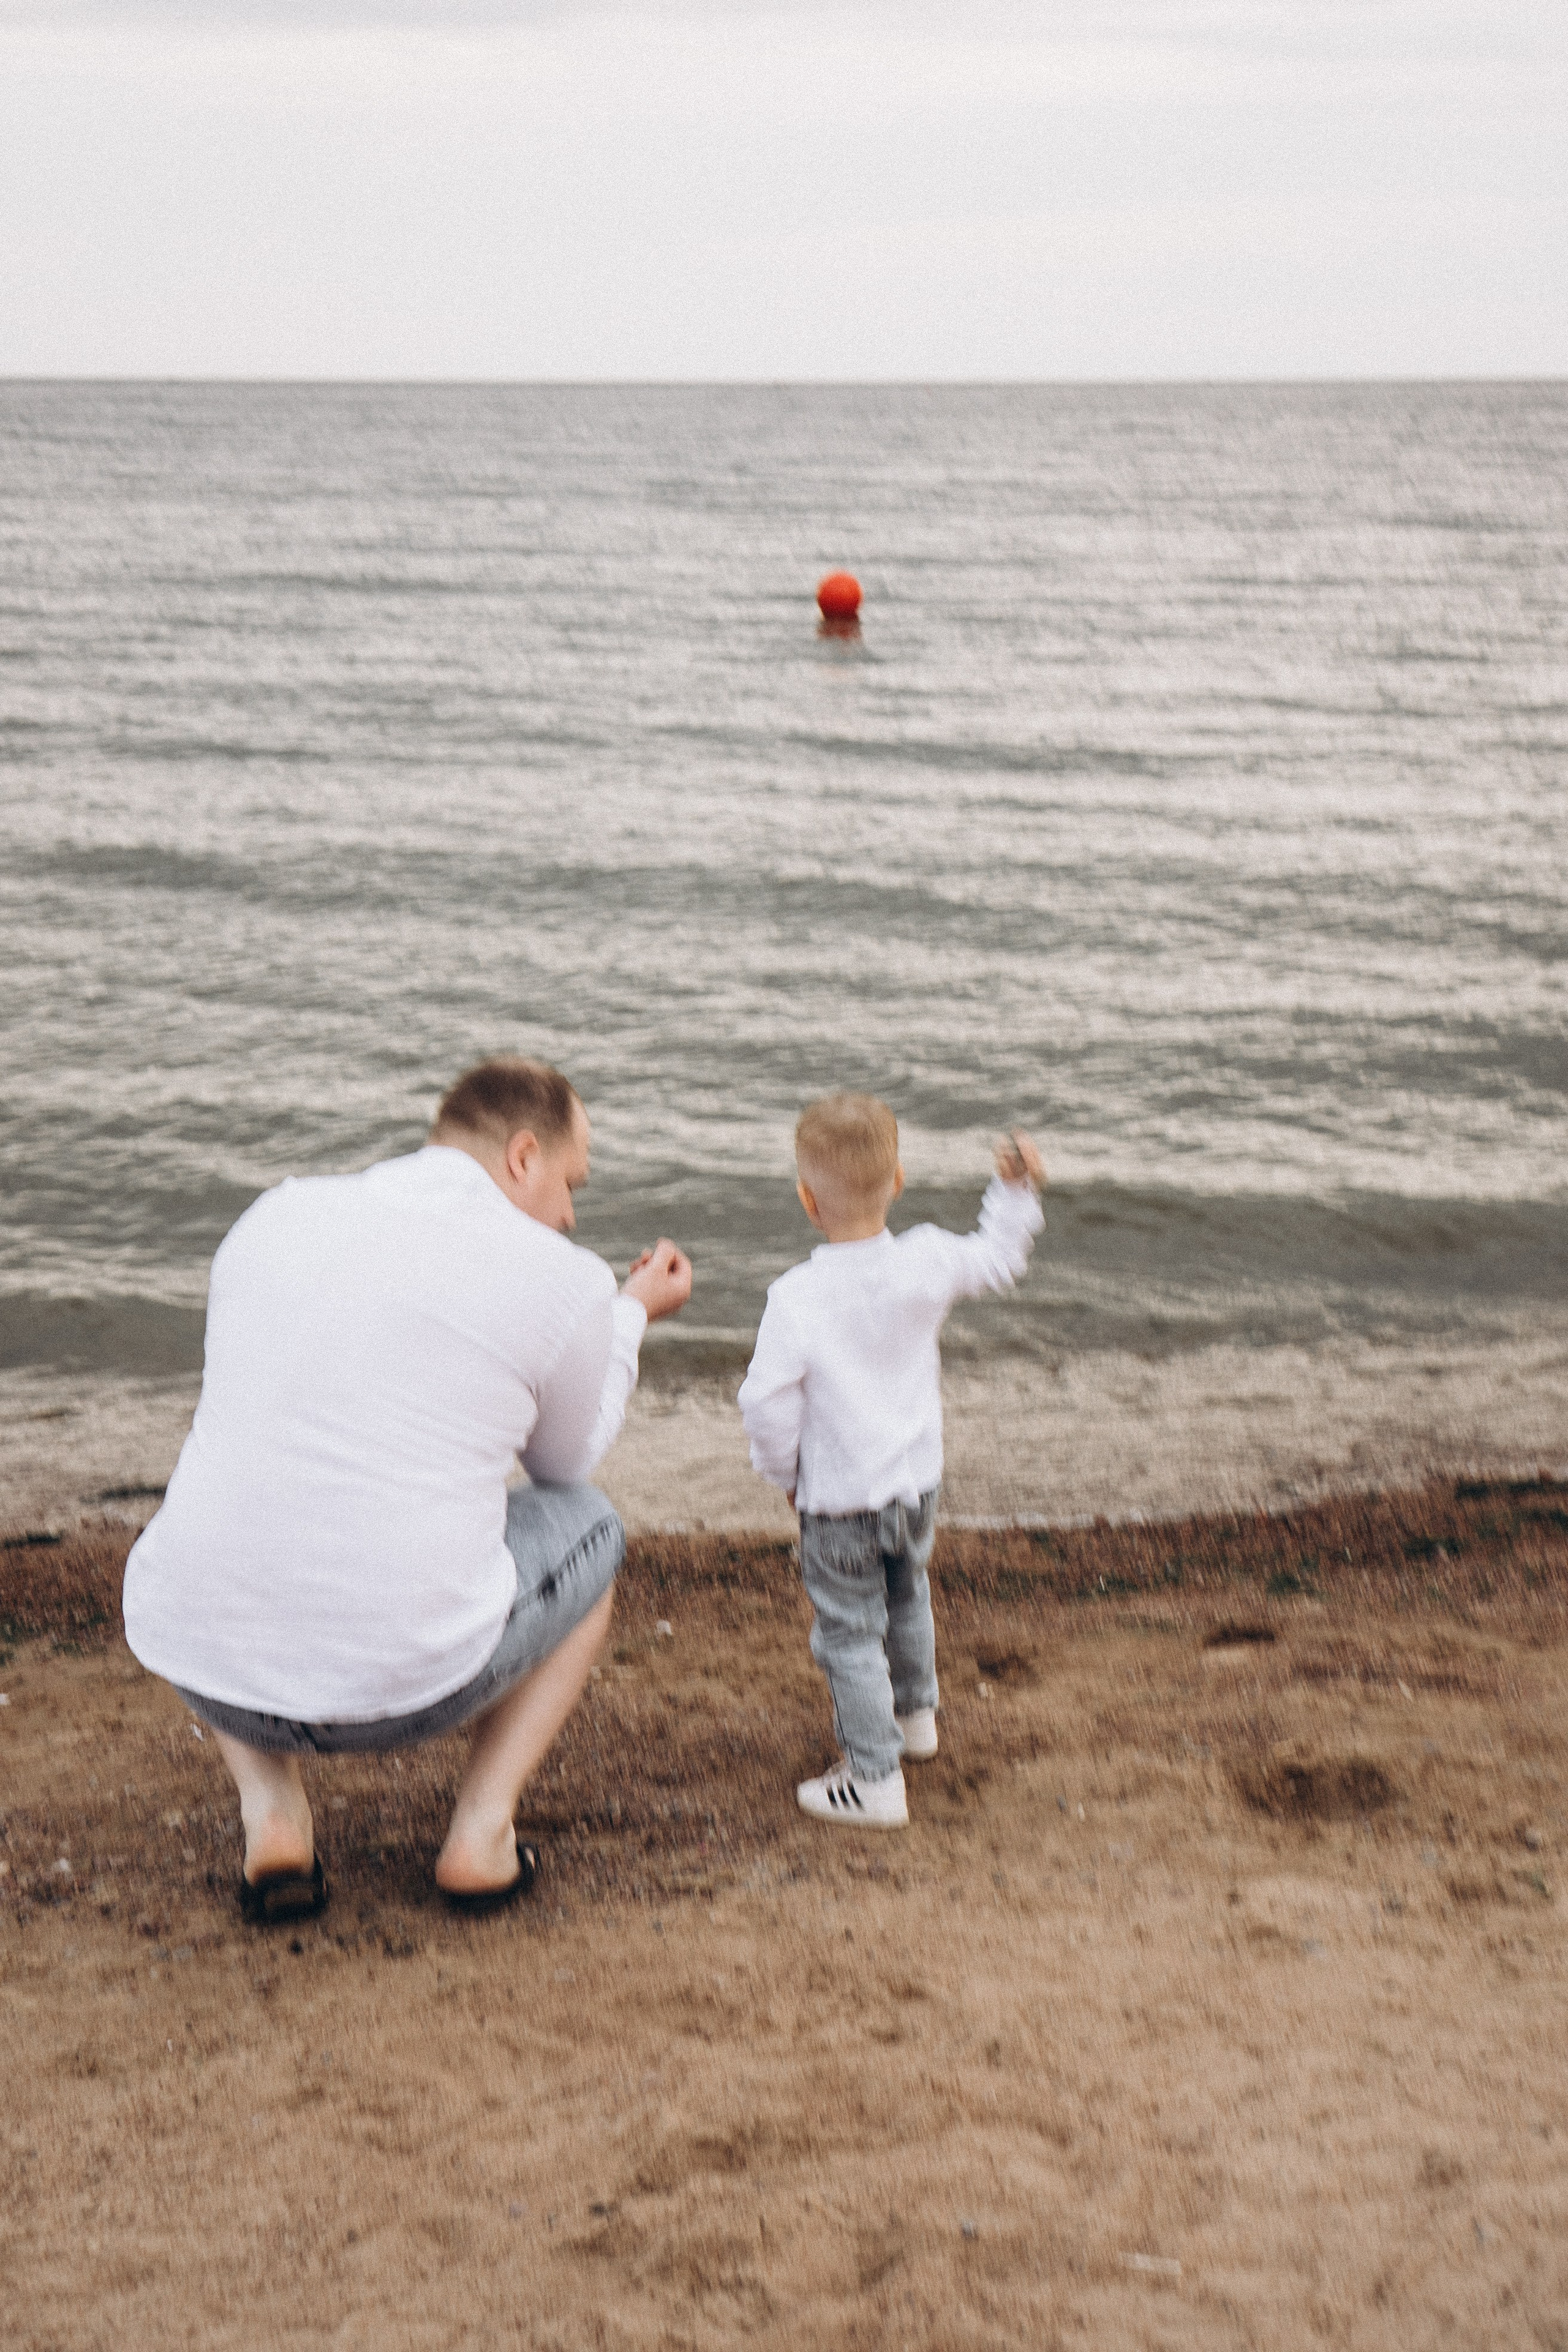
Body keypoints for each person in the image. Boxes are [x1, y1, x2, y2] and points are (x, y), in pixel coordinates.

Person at [122, 1057, 692, 1922]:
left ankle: (272, 1814)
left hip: (207, 1661)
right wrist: (628, 1315)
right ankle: (481, 1834)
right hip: (411, 1687)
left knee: (241, 1500)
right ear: (523, 1157)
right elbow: (563, 1468)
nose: (572, 1213)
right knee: (590, 1527)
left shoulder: (276, 1213)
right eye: (572, 1183)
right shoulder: (558, 1272)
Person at [737, 1092, 1044, 1829]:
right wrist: (1014, 1189)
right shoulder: (928, 1260)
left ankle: (873, 1777)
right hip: (916, 1488)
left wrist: (785, 1476)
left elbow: (766, 1404)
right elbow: (1000, 1259)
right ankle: (915, 1720)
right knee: (906, 1598)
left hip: (839, 1502)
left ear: (808, 1201)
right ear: (898, 1181)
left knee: (847, 1633)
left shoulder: (797, 1298)